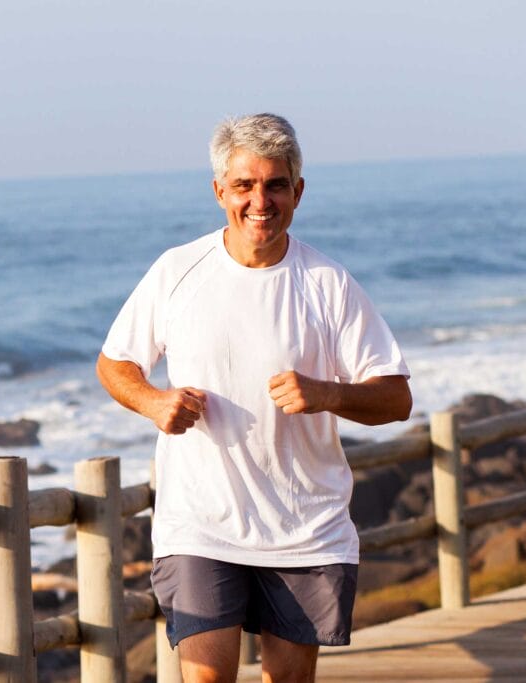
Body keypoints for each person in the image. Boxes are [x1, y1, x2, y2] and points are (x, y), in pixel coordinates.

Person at [96, 113, 412, 683]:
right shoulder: (178, 271)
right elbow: (115, 363)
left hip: (304, 527)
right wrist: (153, 402)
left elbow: (395, 398)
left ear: (299, 191)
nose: (259, 200)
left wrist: (326, 393)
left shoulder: (328, 284)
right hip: (201, 521)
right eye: (244, 185)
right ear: (220, 190)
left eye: (275, 184)